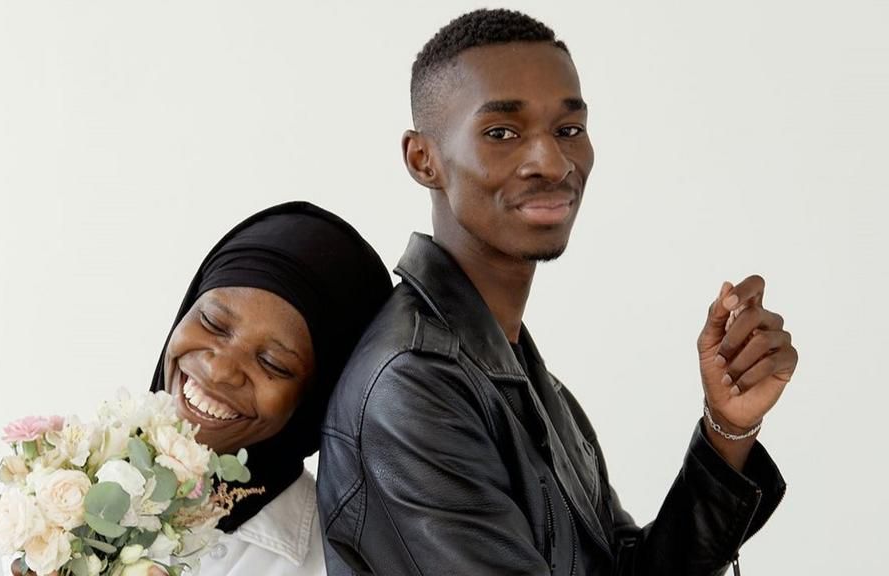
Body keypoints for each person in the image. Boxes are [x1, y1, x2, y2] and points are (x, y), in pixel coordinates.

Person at [318, 9, 795, 576]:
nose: (552, 161)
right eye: (502, 133)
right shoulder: (412, 388)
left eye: (568, 130)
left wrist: (727, 429)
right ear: (424, 159)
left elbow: (624, 569)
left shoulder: (517, 372)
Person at [0, 201, 392, 575]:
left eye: (272, 362)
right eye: (213, 323)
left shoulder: (335, 565)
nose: (221, 369)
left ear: (318, 399)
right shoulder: (36, 497)